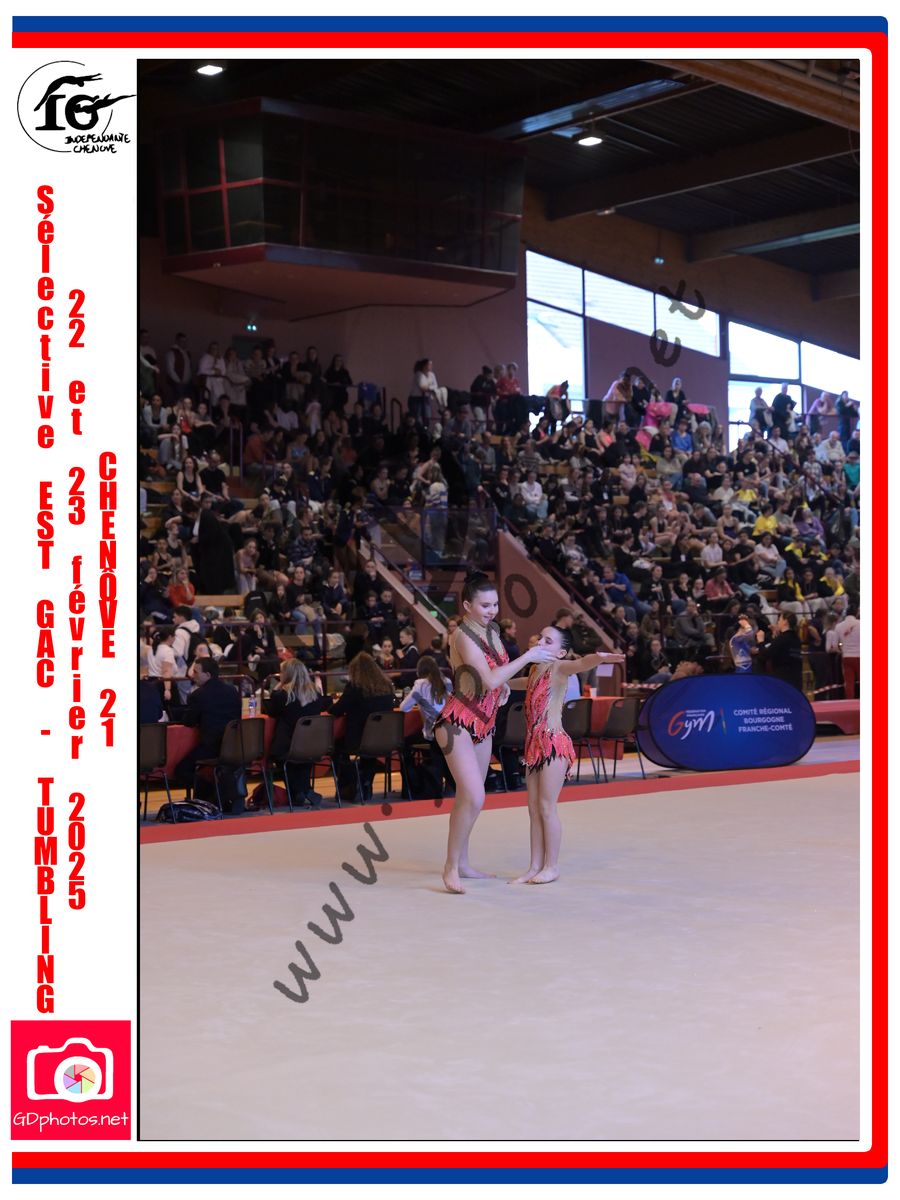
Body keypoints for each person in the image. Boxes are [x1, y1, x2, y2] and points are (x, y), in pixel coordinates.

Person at [434, 572, 556, 894]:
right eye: (484, 605)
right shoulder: (463, 635)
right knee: (474, 796)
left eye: (495, 604)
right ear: (467, 606)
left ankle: (462, 863)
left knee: (468, 798)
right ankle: (450, 867)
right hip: (457, 722)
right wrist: (528, 656)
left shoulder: (492, 633)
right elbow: (488, 680)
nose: (491, 610)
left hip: (484, 724)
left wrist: (530, 679)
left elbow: (498, 680)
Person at [511, 626, 612, 885]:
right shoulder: (534, 670)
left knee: (546, 807)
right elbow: (520, 683)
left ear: (561, 652)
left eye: (548, 641)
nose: (540, 642)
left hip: (554, 743)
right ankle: (534, 866)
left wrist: (597, 658)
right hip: (533, 745)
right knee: (533, 809)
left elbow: (580, 664)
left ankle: (551, 866)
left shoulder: (559, 668)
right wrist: (496, 681)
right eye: (540, 638)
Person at [172, 658, 243, 804]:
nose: (192, 675)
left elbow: (188, 722)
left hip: (211, 747)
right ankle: (216, 793)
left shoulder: (198, 695)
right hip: (234, 747)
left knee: (181, 770)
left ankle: (208, 796)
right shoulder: (232, 691)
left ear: (208, 675)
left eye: (196, 672)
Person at [330, 652, 396, 803]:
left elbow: (337, 710)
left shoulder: (355, 687)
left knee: (335, 746)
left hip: (358, 739)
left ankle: (351, 782)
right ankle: (366, 781)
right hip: (384, 738)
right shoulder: (386, 686)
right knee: (369, 750)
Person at [264, 659, 332, 807]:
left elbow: (271, 711)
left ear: (287, 674)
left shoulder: (282, 696)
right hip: (313, 746)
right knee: (303, 759)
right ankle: (304, 790)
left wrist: (278, 687)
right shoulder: (315, 694)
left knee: (282, 758)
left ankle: (299, 792)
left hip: (287, 746)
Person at [756, 612, 804, 691]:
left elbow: (764, 655)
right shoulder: (796, 638)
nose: (777, 622)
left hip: (784, 679)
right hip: (796, 678)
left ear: (785, 621)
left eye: (779, 619)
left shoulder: (782, 638)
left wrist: (760, 641)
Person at [834, 606, 860, 700]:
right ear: (857, 613)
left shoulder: (838, 626)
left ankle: (850, 702)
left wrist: (843, 650)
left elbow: (835, 645)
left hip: (846, 657)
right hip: (860, 655)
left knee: (849, 683)